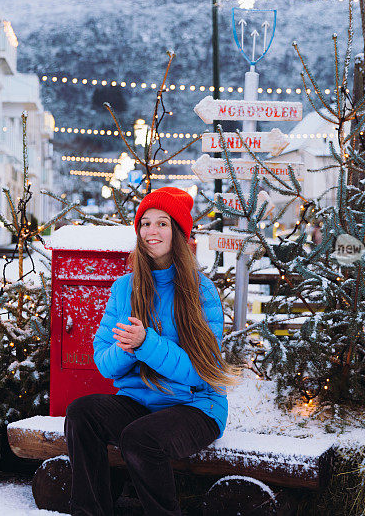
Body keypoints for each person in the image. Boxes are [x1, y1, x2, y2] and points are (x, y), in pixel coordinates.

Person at [64, 186, 240, 516]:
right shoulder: (124, 288)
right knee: (81, 413)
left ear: (178, 231)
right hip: (141, 402)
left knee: (139, 438)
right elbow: (104, 363)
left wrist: (147, 344)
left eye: (162, 223)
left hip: (195, 406)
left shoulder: (200, 290)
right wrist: (129, 347)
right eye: (145, 223)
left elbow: (201, 372)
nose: (151, 231)